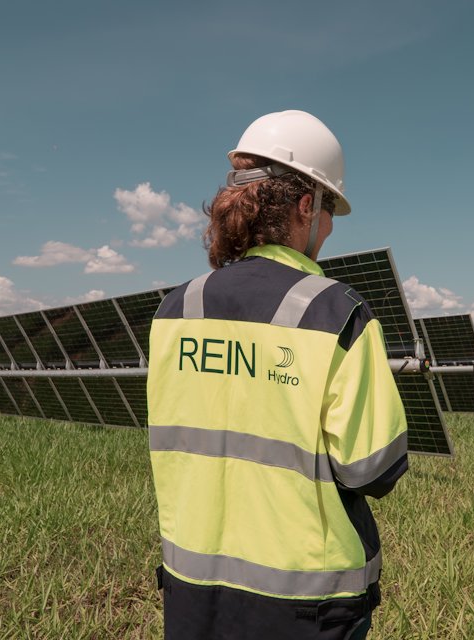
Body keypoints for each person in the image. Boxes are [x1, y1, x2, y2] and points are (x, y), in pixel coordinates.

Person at [147, 110, 409, 639]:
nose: (331, 227)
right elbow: (372, 468)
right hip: (306, 604)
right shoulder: (337, 313)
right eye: (330, 208)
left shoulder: (175, 310)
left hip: (190, 592)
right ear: (306, 205)